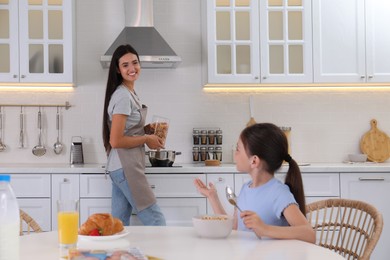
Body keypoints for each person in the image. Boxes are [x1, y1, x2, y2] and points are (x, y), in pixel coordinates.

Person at [194, 123, 315, 243]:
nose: (235, 154)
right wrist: (212, 197)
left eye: (238, 149)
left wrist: (265, 229)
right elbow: (234, 229)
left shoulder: (279, 193)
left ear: (254, 161)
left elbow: (309, 234)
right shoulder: (245, 189)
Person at [102, 44, 166, 226]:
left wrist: (146, 130)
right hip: (126, 167)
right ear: (117, 69)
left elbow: (125, 131)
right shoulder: (123, 96)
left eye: (135, 63)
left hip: (119, 167)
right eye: (125, 65)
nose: (132, 68)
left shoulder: (129, 93)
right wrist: (146, 139)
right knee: (156, 221)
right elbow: (115, 140)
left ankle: (117, 255)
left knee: (118, 225)